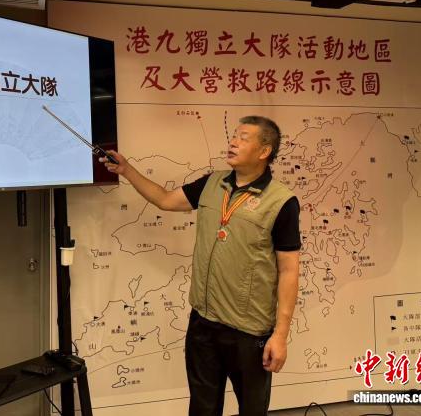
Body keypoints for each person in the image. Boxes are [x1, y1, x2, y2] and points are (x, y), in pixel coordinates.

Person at [100, 116, 301, 416]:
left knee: (252, 409)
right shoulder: (212, 183)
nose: (233, 142)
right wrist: (126, 169)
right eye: (234, 135)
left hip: (249, 332)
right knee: (202, 408)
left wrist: (280, 336)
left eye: (243, 138)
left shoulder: (282, 201)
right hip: (203, 324)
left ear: (264, 151)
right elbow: (166, 200)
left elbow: (289, 271)